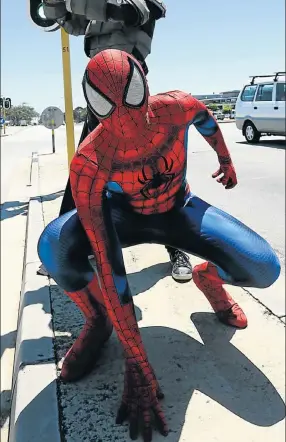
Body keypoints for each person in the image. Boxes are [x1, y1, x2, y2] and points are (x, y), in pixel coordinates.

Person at [38, 49, 280, 442]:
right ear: (92, 107)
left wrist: (225, 158)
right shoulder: (90, 161)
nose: (126, 120)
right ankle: (97, 320)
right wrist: (137, 362)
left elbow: (205, 119)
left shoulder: (176, 107)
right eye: (106, 105)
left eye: (131, 96)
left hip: (179, 208)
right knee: (53, 245)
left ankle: (209, 280)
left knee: (265, 267)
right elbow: (109, 265)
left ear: (145, 85)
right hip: (122, 216)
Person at [39, 0, 192, 282]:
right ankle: (63, 247)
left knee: (157, 174)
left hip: (134, 95)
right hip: (98, 99)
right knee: (83, 172)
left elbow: (122, 8)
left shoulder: (145, 0)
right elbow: (68, 20)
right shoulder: (93, 10)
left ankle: (177, 248)